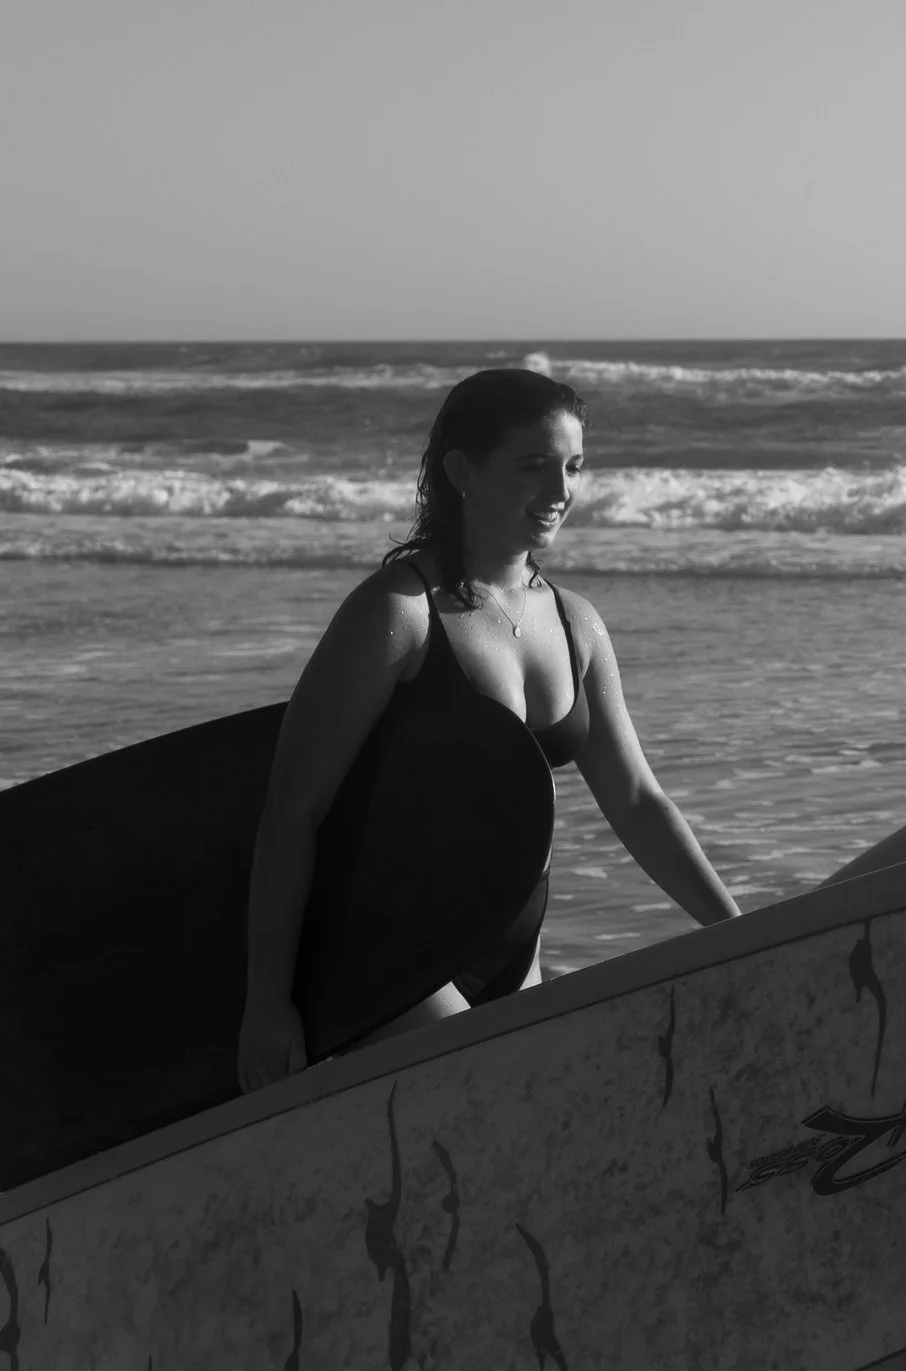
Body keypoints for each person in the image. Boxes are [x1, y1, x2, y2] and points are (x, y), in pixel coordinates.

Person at [236, 368, 740, 1090]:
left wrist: (738, 930)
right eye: (533, 466)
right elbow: (292, 809)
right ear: (462, 470)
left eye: (573, 466)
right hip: (389, 957)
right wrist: (267, 1001)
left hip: (516, 952)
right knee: (520, 1100)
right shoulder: (398, 613)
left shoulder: (577, 623)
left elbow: (635, 798)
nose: (561, 490)